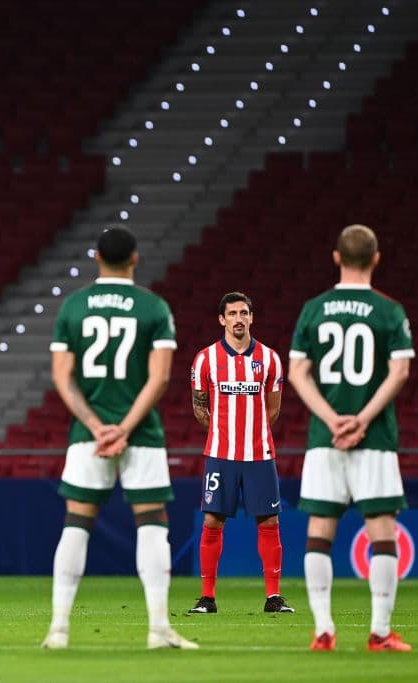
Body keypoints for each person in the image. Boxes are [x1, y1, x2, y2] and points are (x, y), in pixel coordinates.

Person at [42, 225, 197, 650]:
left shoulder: (73, 307)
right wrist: (125, 428)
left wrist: (97, 427)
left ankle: (58, 629)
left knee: (76, 525)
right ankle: (159, 628)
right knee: (152, 527)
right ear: (135, 258)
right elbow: (160, 376)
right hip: (141, 434)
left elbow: (62, 376)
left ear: (96, 257)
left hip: (87, 437)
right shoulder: (153, 308)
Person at [289, 225, 414, 652]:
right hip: (374, 438)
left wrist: (333, 420)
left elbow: (297, 373)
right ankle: (379, 632)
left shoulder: (313, 309)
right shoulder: (389, 311)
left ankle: (323, 630)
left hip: (325, 441)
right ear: (376, 258)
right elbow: (399, 371)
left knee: (319, 531)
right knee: (382, 532)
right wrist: (359, 420)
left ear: (336, 257)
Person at [188, 292, 293, 614]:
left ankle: (273, 597)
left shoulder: (270, 359)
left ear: (251, 317)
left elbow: (272, 410)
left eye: (243, 313)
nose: (238, 318)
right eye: (231, 313)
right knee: (212, 520)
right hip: (221, 454)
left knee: (269, 520)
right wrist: (225, 433)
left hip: (259, 454)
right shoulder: (205, 359)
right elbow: (199, 407)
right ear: (221, 319)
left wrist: (249, 433)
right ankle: (207, 598)